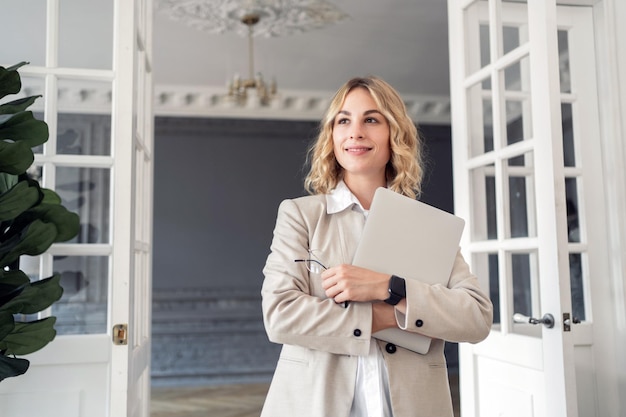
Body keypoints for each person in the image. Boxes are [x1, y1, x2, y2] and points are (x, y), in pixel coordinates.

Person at [261, 76, 493, 417]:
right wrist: (386, 316)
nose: (355, 132)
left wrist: (388, 286)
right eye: (344, 120)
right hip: (314, 404)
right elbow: (280, 316)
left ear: (394, 134)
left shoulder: (428, 226)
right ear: (332, 136)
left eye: (371, 119)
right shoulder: (301, 215)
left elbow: (476, 317)